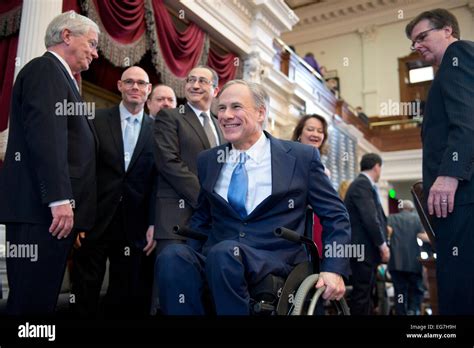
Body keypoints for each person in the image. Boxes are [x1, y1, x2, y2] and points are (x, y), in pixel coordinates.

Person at [156, 80, 351, 315]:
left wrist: (334, 268)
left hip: (274, 258)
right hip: (220, 256)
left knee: (225, 253)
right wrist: (191, 257)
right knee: (172, 256)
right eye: (221, 108)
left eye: (236, 107)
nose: (226, 115)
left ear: (260, 113)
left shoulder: (300, 157)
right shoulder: (208, 160)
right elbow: (203, 217)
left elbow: (336, 215)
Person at [0, 11, 99, 316]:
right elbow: (48, 139)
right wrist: (59, 199)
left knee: (40, 301)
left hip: (49, 215)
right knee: (30, 303)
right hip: (41, 212)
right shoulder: (45, 70)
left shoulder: (63, 78)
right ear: (67, 35)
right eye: (92, 43)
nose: (95, 53)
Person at [71, 66, 158, 318]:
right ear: (119, 86)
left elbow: (157, 182)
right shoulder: (95, 120)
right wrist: (78, 217)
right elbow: (82, 171)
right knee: (84, 291)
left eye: (141, 84)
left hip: (135, 226)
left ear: (148, 90)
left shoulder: (159, 130)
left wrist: (153, 222)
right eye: (129, 82)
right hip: (94, 220)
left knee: (124, 296)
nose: (135, 87)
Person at [405, 8, 474, 315]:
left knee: (460, 290)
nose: (417, 46)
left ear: (447, 30)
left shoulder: (458, 55)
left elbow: (468, 119)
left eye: (422, 36)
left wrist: (449, 175)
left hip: (463, 197)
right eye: (413, 42)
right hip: (459, 201)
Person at [151, 66, 223, 314]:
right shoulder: (170, 116)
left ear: (215, 89)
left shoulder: (221, 125)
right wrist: (208, 200)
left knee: (201, 293)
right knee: (169, 295)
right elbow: (169, 163)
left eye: (202, 81)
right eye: (191, 79)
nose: (194, 85)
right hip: (177, 220)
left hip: (214, 226)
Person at [344, 153, 390, 315]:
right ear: (377, 166)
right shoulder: (361, 185)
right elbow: (370, 218)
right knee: (362, 295)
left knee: (366, 294)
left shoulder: (364, 185)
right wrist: (383, 245)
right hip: (362, 251)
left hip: (365, 251)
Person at [291, 114, 330, 258]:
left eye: (320, 131)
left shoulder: (324, 168)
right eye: (310, 129)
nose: (315, 134)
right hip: (296, 223)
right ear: (300, 133)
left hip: (318, 224)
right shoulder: (288, 159)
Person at [387, 200, 426, 315]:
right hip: (413, 262)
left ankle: (401, 312)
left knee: (399, 291)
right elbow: (422, 236)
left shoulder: (392, 218)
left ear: (400, 209)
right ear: (412, 209)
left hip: (396, 262)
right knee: (415, 290)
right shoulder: (417, 219)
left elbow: (387, 233)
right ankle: (412, 310)